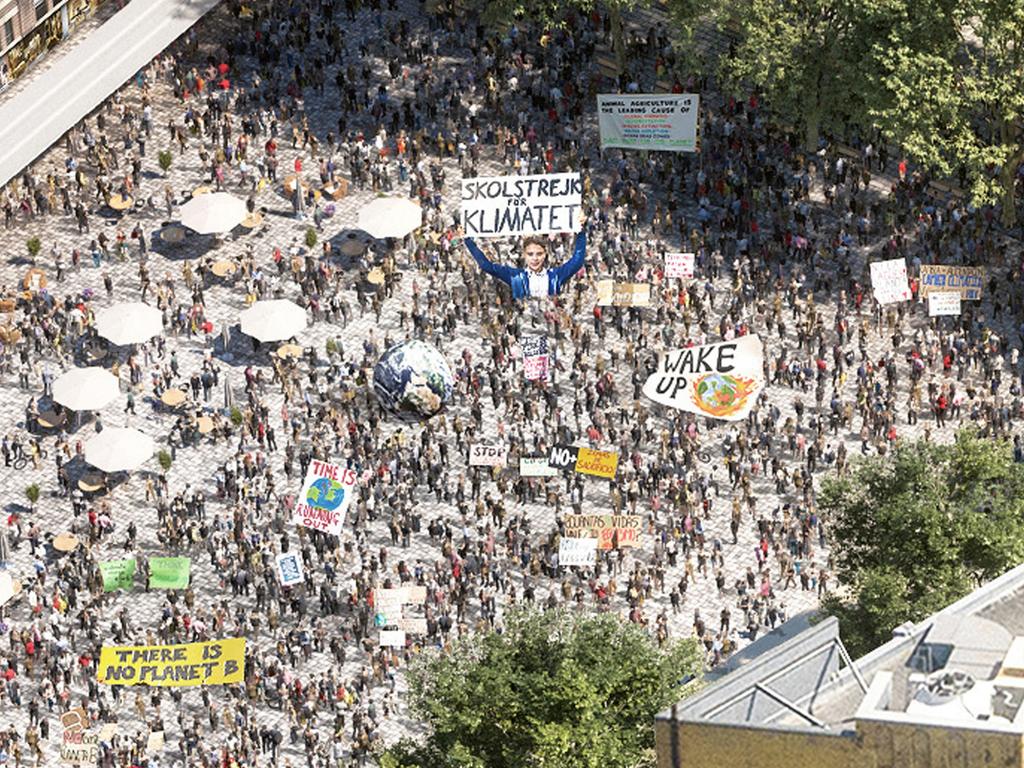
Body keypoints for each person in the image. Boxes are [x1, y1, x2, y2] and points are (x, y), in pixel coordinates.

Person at [463, 216, 587, 299]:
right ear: (524, 255)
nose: (535, 259)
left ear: (545, 254)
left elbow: (578, 260)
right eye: (530, 254)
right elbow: (485, 265)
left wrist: (580, 232)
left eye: (539, 254)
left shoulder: (555, 275)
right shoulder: (515, 276)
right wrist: (468, 240)